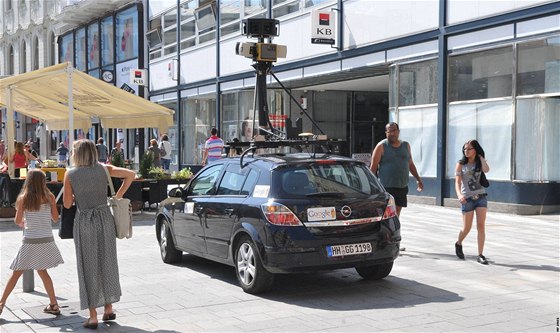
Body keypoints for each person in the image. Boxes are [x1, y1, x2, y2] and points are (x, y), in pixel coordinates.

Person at [63, 139, 135, 329]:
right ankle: (108, 308)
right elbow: (131, 174)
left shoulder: (70, 174)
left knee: (87, 266)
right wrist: (117, 196)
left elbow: (68, 204)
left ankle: (93, 315)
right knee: (107, 261)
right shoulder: (104, 169)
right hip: (104, 218)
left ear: (76, 154)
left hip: (85, 220)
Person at [0, 169, 64, 317]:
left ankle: (1, 303)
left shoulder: (24, 198)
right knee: (42, 271)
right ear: (43, 181)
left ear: (28, 181)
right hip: (46, 240)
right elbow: (55, 218)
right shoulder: (50, 197)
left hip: (30, 240)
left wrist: (24, 221)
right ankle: (53, 304)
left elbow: (17, 221)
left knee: (16, 273)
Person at [370, 122, 423, 251]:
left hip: (402, 187)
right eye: (389, 131)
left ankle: (393, 239)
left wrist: (418, 179)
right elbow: (373, 168)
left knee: (396, 216)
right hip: (387, 188)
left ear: (398, 132)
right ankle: (382, 240)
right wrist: (371, 186)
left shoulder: (406, 145)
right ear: (386, 133)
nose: (392, 133)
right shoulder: (381, 146)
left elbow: (410, 164)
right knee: (386, 216)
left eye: (394, 130)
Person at [454, 139, 490, 265]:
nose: (466, 151)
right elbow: (457, 183)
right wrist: (459, 196)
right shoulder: (460, 164)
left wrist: (481, 157)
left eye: (469, 149)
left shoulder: (480, 162)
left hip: (480, 197)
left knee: (481, 225)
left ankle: (480, 254)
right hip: (467, 199)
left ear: (475, 150)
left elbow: (486, 170)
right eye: (464, 149)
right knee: (466, 228)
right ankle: (458, 243)